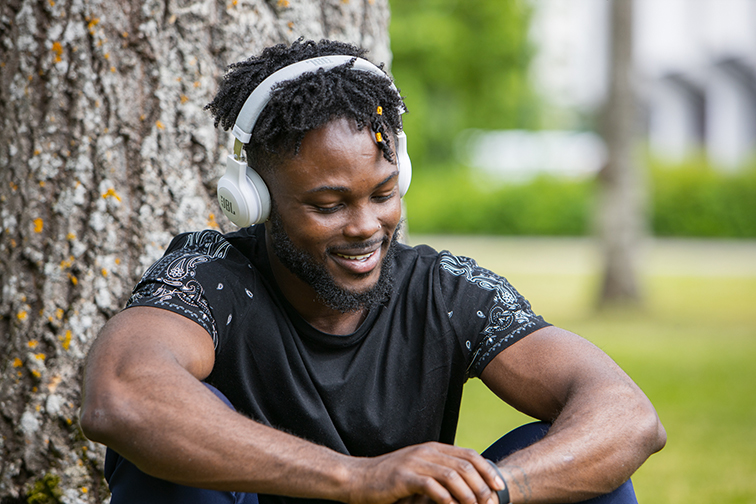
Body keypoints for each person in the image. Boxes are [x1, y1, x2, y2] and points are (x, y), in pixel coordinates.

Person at [80, 38, 665, 504]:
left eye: (383, 194)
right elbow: (122, 396)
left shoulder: (444, 291)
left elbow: (626, 414)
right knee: (165, 456)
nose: (365, 226)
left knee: (571, 460)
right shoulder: (210, 279)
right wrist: (357, 479)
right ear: (253, 200)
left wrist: (495, 491)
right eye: (328, 205)